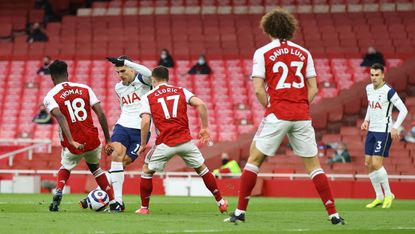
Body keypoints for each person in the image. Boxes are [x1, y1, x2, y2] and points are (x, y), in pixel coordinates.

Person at [224, 8, 345, 225]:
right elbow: (314, 88)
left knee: (254, 160)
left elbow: (259, 89)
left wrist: (271, 106)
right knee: (314, 166)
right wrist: (299, 104)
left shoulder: (262, 53)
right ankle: (334, 215)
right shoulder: (304, 52)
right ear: (290, 28)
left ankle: (240, 212)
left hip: (277, 112)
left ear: (267, 28)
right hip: (301, 114)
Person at [136, 66, 227, 215]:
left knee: (147, 171)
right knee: (202, 170)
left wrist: (143, 144)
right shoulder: (181, 91)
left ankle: (144, 208)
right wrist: (205, 128)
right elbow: (201, 104)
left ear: (153, 79)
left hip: (165, 142)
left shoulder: (148, 97)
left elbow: (145, 121)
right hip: (185, 141)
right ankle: (221, 202)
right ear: (168, 78)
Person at [43, 60, 120, 212]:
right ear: (67, 73)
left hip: (73, 142)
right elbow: (101, 113)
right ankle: (112, 201)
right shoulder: (84, 88)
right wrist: (108, 140)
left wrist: (71, 140)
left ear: (52, 77)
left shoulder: (50, 96)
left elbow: (60, 117)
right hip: (92, 139)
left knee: (66, 166)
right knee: (96, 168)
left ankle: (58, 191)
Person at [79, 56, 152, 211]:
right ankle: (117, 201)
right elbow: (122, 106)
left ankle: (96, 193)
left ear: (131, 68)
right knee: (116, 156)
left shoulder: (144, 81)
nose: (120, 74)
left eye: (123, 70)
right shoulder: (118, 87)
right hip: (123, 125)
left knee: (123, 162)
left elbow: (149, 73)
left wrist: (127, 62)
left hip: (141, 130)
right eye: (118, 72)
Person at [361, 63, 408, 209]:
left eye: (376, 75)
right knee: (368, 163)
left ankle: (388, 194)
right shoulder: (369, 88)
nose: (374, 78)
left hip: (384, 131)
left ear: (383, 75)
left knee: (376, 163)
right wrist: (366, 120)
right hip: (372, 130)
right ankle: (379, 196)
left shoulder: (389, 91)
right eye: (372, 75)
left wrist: (395, 127)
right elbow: (370, 105)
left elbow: (403, 110)